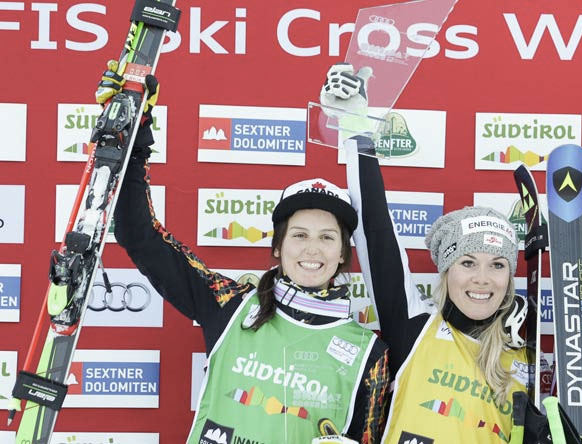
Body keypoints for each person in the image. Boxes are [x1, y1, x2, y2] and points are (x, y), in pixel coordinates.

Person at [102, 63, 389, 444]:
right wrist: (133, 136)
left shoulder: (369, 353)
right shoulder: (230, 304)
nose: (312, 249)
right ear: (277, 247)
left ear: (342, 253)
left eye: (327, 238)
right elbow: (138, 234)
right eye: (299, 235)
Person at [321, 64, 533, 443]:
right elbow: (376, 235)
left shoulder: (522, 361)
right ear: (446, 273)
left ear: (509, 278)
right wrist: (356, 130)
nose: (482, 278)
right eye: (467, 263)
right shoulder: (415, 330)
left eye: (497, 265)